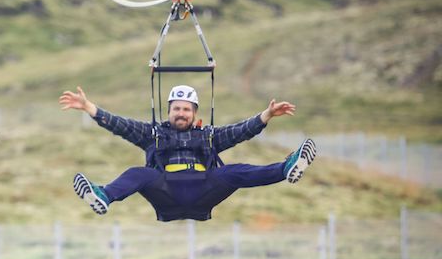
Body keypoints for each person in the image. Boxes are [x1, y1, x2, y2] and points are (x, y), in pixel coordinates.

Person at [59, 85, 316, 222]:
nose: (181, 113)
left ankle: (287, 168)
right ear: (168, 111)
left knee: (233, 172)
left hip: (203, 191)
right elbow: (120, 124)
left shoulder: (209, 136)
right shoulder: (153, 134)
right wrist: (89, 107)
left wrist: (267, 115)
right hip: (167, 193)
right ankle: (104, 196)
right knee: (140, 174)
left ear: (194, 113)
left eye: (186, 109)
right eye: (176, 109)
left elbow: (241, 131)